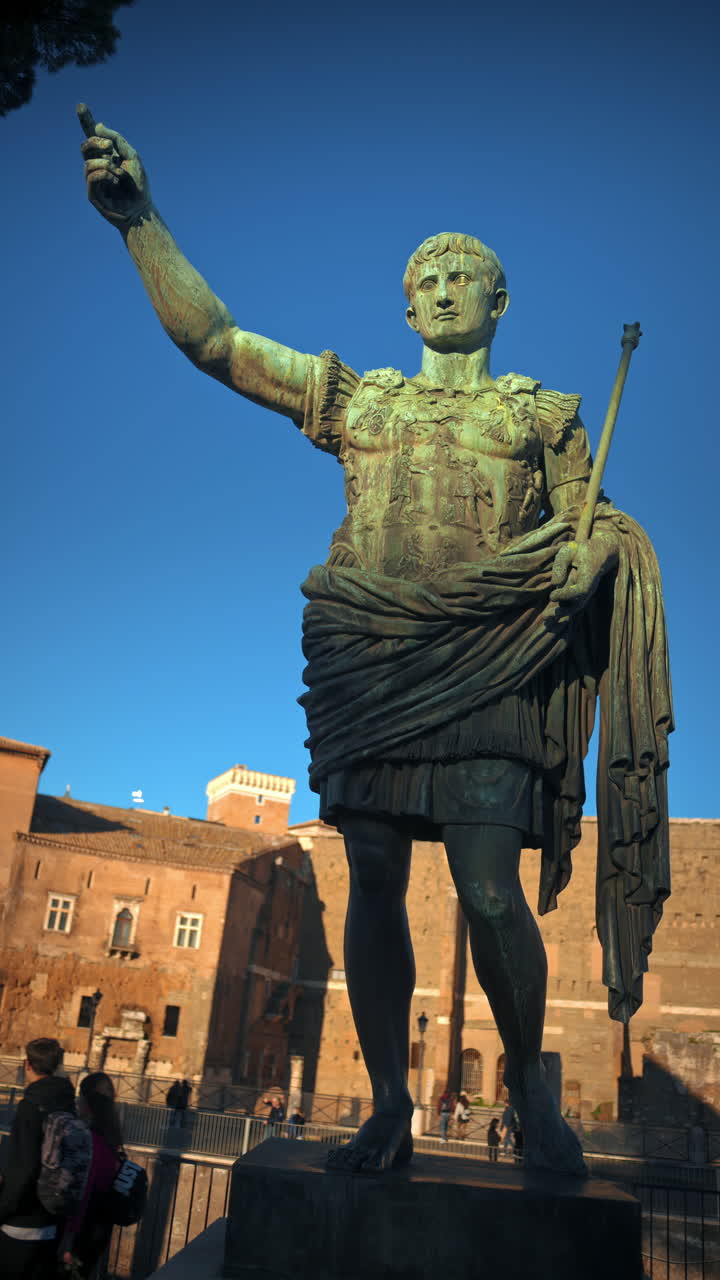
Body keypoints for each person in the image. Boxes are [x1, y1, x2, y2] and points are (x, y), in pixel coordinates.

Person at [80, 117, 673, 1177]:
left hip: (494, 663)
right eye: (428, 276)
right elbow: (214, 343)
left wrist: (592, 563)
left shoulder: (542, 416)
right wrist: (140, 223)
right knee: (373, 874)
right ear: (408, 305)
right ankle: (391, 1104)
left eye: (466, 274)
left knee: (489, 884)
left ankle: (530, 1088)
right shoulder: (361, 401)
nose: (445, 286)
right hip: (372, 657)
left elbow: (602, 527)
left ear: (498, 303)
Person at [0, 1038, 77, 1280]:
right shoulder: (68, 1105)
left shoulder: (30, 1107)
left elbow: (23, 1169)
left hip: (21, 1223)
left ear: (27, 1065)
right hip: (53, 1220)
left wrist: (2, 1210)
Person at [60, 1073, 124, 1280]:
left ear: (87, 1102)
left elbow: (85, 1188)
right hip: (101, 1225)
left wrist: (70, 1239)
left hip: (85, 1226)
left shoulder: (91, 1138)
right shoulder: (113, 1135)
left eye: (80, 1096)